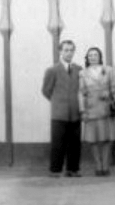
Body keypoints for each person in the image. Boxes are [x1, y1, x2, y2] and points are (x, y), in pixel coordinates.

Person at [41, 40, 83, 178]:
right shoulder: (52, 70)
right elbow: (46, 90)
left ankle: (72, 169)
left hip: (75, 112)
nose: (69, 53)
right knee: (58, 142)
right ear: (60, 51)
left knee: (75, 142)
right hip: (59, 113)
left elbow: (82, 90)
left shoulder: (79, 69)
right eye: (66, 50)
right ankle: (55, 170)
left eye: (71, 50)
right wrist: (58, 102)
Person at [78, 47, 115, 176]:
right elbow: (81, 92)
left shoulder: (108, 70)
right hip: (91, 109)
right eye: (90, 55)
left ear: (100, 56)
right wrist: (82, 110)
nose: (93, 57)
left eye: (95, 55)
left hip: (105, 108)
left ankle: (105, 165)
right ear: (87, 58)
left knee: (107, 138)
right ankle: (98, 165)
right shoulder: (83, 73)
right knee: (93, 139)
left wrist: (109, 93)